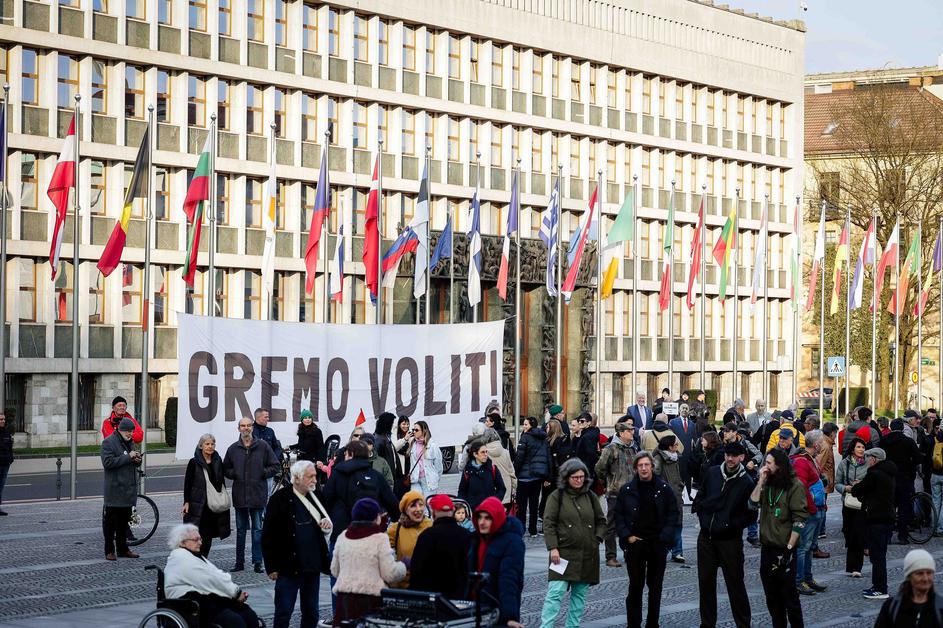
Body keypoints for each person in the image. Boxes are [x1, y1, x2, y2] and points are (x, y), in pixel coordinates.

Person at [693, 441, 756, 628]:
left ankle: (743, 624)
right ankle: (707, 624)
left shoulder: (746, 482)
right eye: (728, 455)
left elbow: (751, 516)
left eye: (734, 456)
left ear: (742, 457)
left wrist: (730, 525)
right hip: (706, 538)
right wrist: (704, 518)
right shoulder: (712, 473)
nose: (730, 459)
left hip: (730, 541)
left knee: (735, 585)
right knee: (705, 584)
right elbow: (701, 496)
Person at [262, 460, 332, 628]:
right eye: (310, 476)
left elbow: (327, 521)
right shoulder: (279, 499)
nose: (315, 480)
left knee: (311, 612)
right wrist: (271, 566)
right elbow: (268, 534)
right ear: (297, 478)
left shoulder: (317, 496)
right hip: (288, 566)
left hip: (312, 565)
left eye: (315, 476)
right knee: (283, 612)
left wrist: (326, 525)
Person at [614, 452, 679, 628]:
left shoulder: (664, 488)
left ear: (652, 466)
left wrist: (665, 538)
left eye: (646, 465)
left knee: (655, 587)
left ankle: (652, 623)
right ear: (636, 468)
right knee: (635, 586)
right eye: (640, 465)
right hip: (635, 543)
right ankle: (633, 624)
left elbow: (673, 514)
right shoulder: (627, 490)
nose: (643, 468)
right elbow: (618, 516)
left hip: (657, 543)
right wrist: (627, 536)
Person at [540, 459, 606, 628]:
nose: (579, 480)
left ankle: (572, 626)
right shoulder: (556, 496)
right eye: (575, 477)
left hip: (587, 555)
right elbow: (549, 524)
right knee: (555, 592)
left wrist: (597, 539)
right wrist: (553, 548)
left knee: (579, 596)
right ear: (566, 477)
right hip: (562, 554)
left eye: (581, 477)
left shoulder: (590, 496)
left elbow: (601, 521)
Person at [748, 448, 808, 628]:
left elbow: (800, 520)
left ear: (779, 466)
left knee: (790, 597)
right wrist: (760, 481)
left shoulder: (795, 485)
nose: (765, 466)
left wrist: (789, 548)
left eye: (768, 463)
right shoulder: (768, 483)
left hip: (785, 549)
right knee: (772, 597)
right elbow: (752, 504)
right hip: (767, 548)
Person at [164, 523, 261, 628]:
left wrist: (233, 592)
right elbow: (210, 579)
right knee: (234, 620)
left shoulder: (191, 555)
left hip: (202, 598)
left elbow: (215, 573)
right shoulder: (182, 558)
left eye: (200, 539)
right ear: (183, 542)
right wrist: (235, 593)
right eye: (195, 540)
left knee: (246, 613)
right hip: (189, 604)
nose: (200, 543)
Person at [331, 497, 407, 626]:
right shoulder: (380, 539)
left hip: (344, 600)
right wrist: (403, 565)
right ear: (376, 517)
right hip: (370, 601)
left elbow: (335, 570)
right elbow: (390, 574)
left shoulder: (342, 536)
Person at [222, 417, 280, 573]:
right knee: (240, 530)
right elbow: (225, 468)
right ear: (238, 428)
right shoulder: (233, 449)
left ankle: (257, 562)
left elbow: (275, 466)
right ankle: (239, 562)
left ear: (252, 428)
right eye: (243, 426)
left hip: (257, 494)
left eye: (248, 425)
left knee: (257, 530)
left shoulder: (263, 446)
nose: (246, 428)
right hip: (240, 495)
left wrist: (263, 472)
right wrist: (234, 473)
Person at [323, 439, 399, 544]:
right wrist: (394, 518)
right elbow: (392, 503)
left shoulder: (337, 473)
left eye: (346, 454)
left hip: (341, 532)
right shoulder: (375, 475)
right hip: (369, 531)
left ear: (351, 454)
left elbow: (327, 497)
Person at [468, 496, 525, 628]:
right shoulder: (476, 539)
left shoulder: (512, 542)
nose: (482, 522)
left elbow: (509, 579)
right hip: (473, 607)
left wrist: (509, 616)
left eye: (487, 518)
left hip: (495, 607)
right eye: (479, 517)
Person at [851, 447, 897, 600]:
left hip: (877, 519)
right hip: (886, 517)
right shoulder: (888, 472)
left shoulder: (875, 474)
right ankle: (877, 585)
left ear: (874, 459)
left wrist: (857, 485)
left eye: (868, 457)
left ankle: (880, 589)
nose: (866, 460)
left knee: (877, 557)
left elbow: (857, 491)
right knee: (879, 555)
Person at [409, 494, 472, 598]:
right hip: (461, 598)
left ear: (433, 512)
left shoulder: (427, 536)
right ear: (452, 511)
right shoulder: (467, 535)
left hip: (433, 598)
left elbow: (417, 573)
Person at [789, 431, 828, 595]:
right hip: (809, 511)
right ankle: (799, 581)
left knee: (810, 547)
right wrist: (811, 507)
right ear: (816, 444)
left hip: (817, 509)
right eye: (822, 443)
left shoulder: (810, 459)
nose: (823, 446)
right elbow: (801, 488)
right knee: (803, 548)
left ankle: (808, 578)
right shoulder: (802, 461)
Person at [595, 421, 637, 568]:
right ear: (621, 433)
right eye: (629, 431)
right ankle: (610, 556)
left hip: (631, 493)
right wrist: (608, 483)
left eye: (632, 430)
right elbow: (600, 468)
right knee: (611, 525)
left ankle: (629, 553)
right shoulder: (611, 448)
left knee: (630, 524)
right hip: (615, 492)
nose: (632, 433)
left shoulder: (633, 448)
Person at [183, 434, 231, 557]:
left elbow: (221, 481)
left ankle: (203, 559)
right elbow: (188, 483)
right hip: (198, 504)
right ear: (201, 446)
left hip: (212, 504)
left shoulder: (217, 460)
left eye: (212, 444)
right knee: (197, 534)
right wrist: (186, 502)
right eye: (207, 444)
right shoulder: (194, 462)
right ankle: (195, 558)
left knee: (208, 535)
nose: (210, 446)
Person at [101, 417, 142, 561]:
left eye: (132, 431)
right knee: (110, 524)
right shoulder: (108, 442)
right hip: (114, 491)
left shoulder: (129, 442)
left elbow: (131, 460)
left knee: (123, 523)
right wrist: (128, 457)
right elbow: (107, 462)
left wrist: (137, 460)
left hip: (128, 490)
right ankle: (109, 551)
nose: (130, 434)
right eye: (128, 431)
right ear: (120, 430)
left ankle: (123, 549)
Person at [874, 549, 943, 627]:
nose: (925, 578)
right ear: (909, 576)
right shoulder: (892, 607)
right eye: (919, 574)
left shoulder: (940, 607)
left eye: (929, 573)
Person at [881, 418, 923, 545]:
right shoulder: (908, 441)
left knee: (889, 507)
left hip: (888, 478)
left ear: (891, 427)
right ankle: (902, 536)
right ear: (902, 428)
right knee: (904, 508)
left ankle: (887, 536)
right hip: (905, 478)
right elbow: (917, 458)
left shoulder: (884, 440)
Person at [835, 437, 870, 578]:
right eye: (858, 447)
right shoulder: (844, 463)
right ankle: (852, 564)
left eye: (863, 447)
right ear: (852, 449)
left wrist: (861, 485)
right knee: (848, 532)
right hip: (848, 502)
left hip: (862, 503)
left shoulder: (868, 464)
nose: (861, 450)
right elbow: (837, 483)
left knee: (858, 534)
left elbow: (872, 482)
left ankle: (856, 567)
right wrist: (846, 488)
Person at [514, 416, 551, 537]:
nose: (523, 427)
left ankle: (521, 529)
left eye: (525, 424)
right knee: (534, 504)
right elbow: (548, 458)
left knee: (522, 505)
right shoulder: (543, 438)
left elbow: (519, 457)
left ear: (531, 426)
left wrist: (515, 472)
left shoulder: (525, 437)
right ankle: (533, 530)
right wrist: (547, 476)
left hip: (524, 477)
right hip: (537, 477)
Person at [387, 491, 432, 587]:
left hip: (428, 586)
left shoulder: (431, 526)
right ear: (405, 510)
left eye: (421, 505)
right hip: (404, 587)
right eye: (413, 506)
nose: (418, 509)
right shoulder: (395, 529)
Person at [652, 434, 686, 563]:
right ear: (670, 447)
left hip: (676, 494)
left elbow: (677, 475)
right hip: (665, 496)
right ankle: (662, 550)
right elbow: (655, 475)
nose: (677, 446)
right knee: (664, 524)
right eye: (675, 444)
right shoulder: (659, 458)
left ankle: (677, 551)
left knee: (678, 523)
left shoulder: (675, 457)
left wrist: (680, 485)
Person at [459, 439, 507, 509]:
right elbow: (462, 491)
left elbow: (502, 489)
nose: (486, 454)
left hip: (489, 509)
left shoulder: (492, 469)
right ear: (475, 454)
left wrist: (494, 502)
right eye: (482, 452)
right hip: (473, 510)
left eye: (486, 452)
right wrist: (465, 506)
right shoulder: (467, 471)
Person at [403, 420, 443, 498]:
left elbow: (439, 467)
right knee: (416, 500)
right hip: (415, 479)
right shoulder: (412, 444)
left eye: (416, 430)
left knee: (427, 503)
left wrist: (435, 479)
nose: (414, 432)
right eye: (413, 430)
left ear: (423, 431)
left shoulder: (432, 446)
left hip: (428, 480)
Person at [541, 418, 571, 517]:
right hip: (558, 475)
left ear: (552, 429)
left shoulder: (553, 443)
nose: (546, 429)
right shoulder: (560, 441)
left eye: (548, 427)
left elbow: (551, 462)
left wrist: (548, 478)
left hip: (553, 476)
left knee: (551, 500)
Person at [482, 427, 517, 509]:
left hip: (489, 490)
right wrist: (514, 489)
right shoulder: (506, 452)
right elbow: (511, 472)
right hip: (506, 490)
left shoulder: (483, 454)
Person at [669, 404, 697, 499]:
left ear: (688, 411)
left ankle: (688, 494)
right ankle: (678, 495)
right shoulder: (673, 422)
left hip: (688, 455)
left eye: (686, 408)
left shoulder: (692, 424)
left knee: (688, 476)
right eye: (682, 408)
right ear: (679, 410)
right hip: (677, 454)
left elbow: (695, 440)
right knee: (678, 475)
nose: (684, 410)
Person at [0, 411, 12, 516]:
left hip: (6, 463)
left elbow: (9, 447)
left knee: (1, 486)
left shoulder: (6, 432)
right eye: (1, 419)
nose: (3, 421)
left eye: (4, 419)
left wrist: (11, 459)